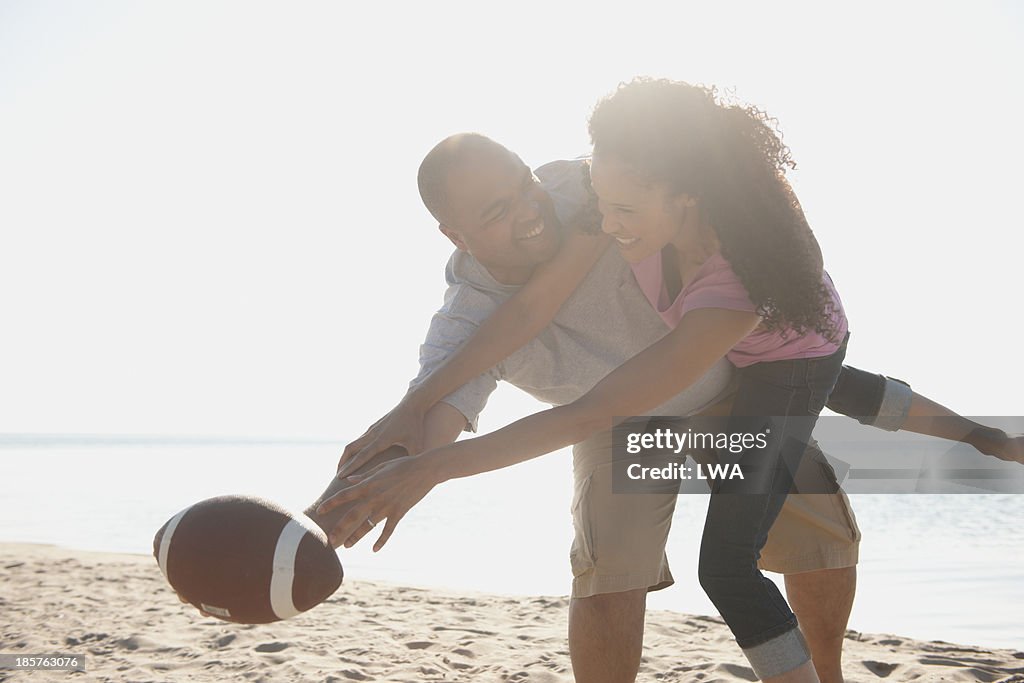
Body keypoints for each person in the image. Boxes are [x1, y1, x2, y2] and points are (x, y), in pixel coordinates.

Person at [314, 126, 1021, 682]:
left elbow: (845, 380)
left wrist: (974, 433)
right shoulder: (465, 321)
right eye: (498, 212)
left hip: (733, 393)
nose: (531, 211)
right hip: (616, 423)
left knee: (818, 534)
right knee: (611, 569)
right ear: (454, 234)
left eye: (523, 185)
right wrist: (383, 481)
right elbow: (439, 417)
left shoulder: (587, 191)